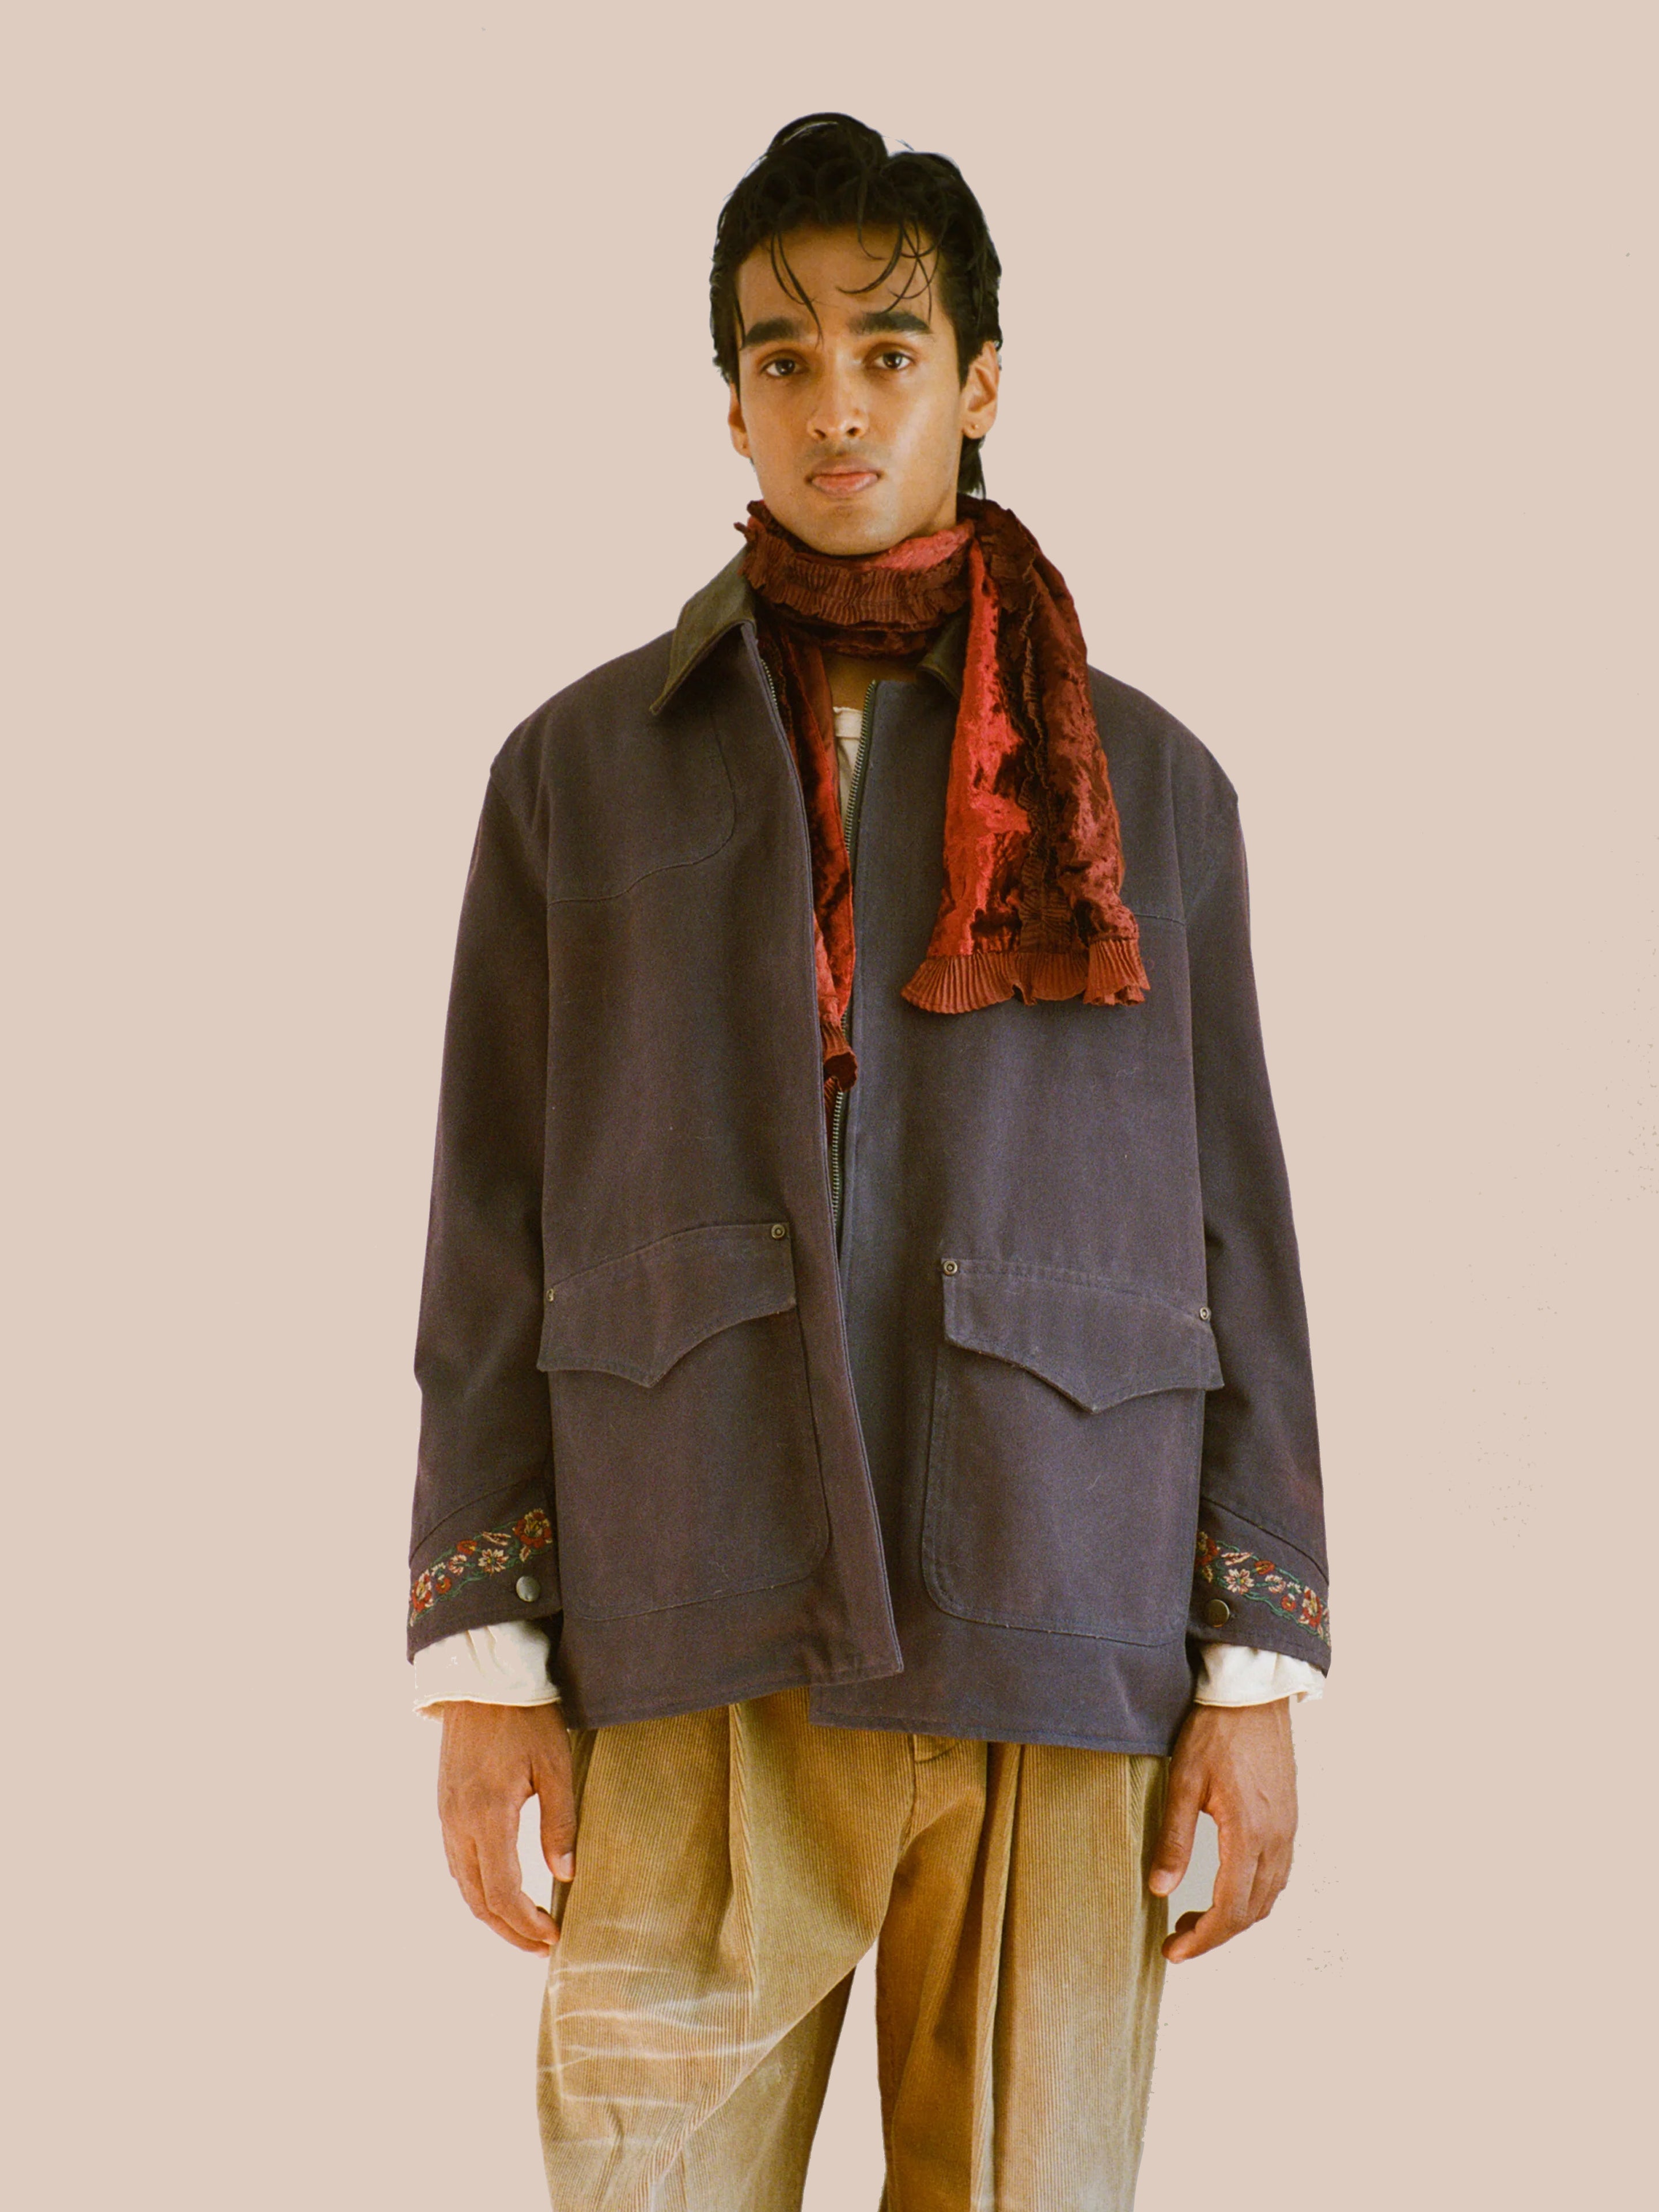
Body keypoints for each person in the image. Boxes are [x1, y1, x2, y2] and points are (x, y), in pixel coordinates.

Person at [406, 112, 1331, 2211]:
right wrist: (487, 1662)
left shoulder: (1154, 792)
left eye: (889, 352)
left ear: (980, 382)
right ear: (728, 393)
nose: (839, 408)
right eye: (787, 359)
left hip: (1053, 1587)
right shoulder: (576, 776)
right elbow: (490, 1225)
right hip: (692, 1600)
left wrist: (1253, 1667)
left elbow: (1237, 1224)